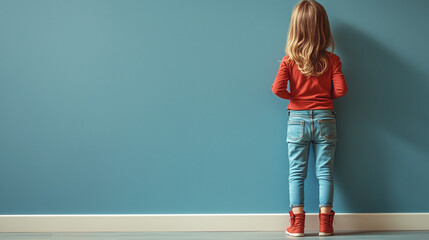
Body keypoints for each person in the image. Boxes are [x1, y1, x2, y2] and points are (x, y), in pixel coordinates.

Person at [271, 0, 348, 237]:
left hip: (297, 120)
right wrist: (326, 96)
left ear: (296, 28)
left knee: (297, 173)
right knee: (325, 173)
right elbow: (341, 91)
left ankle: (297, 226)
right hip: (326, 118)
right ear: (323, 28)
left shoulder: (289, 59)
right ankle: (326, 226)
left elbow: (276, 89)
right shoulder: (332, 60)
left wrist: (294, 96)